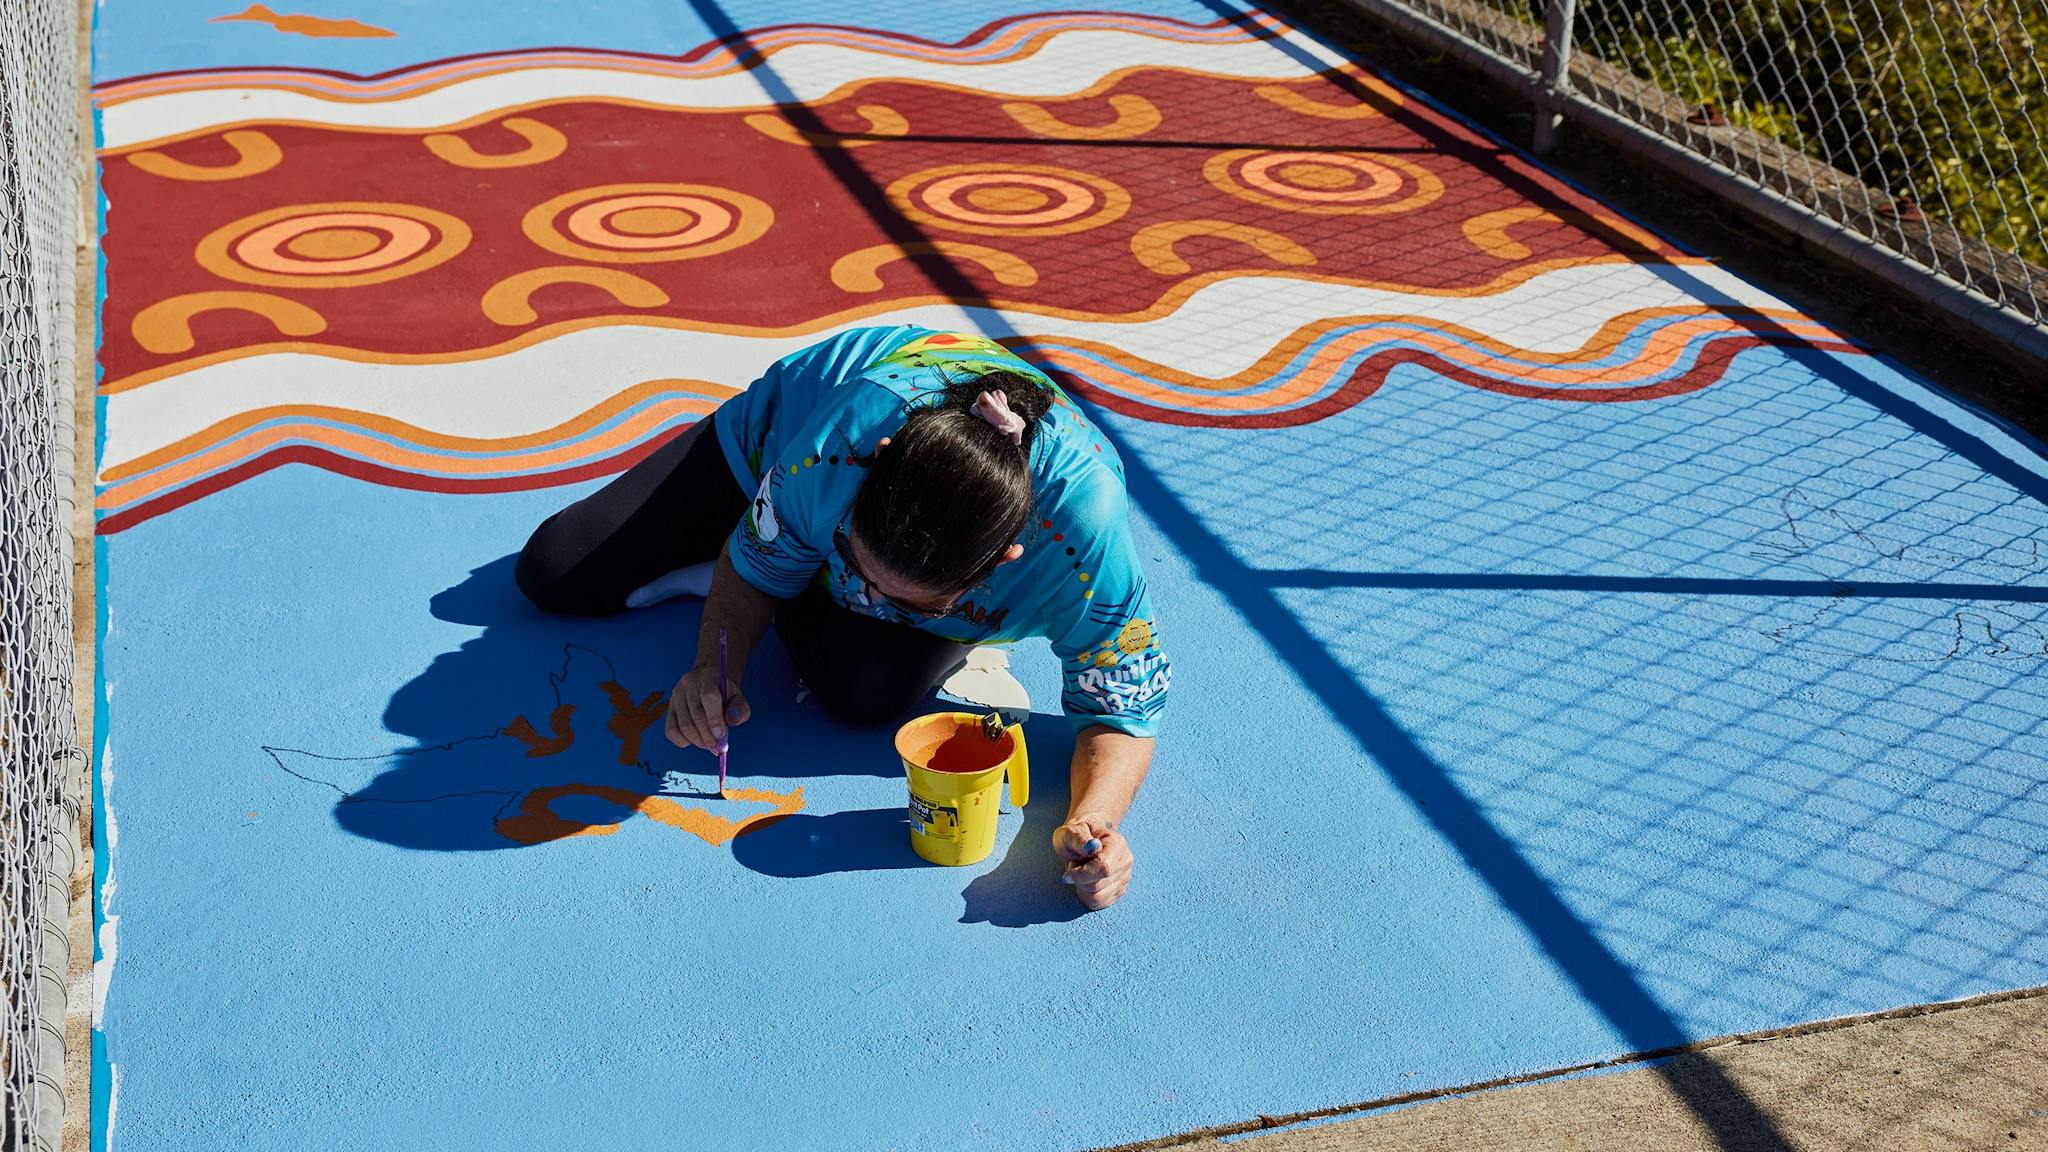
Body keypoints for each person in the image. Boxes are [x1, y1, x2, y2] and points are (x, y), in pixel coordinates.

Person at [514, 326, 1169, 908]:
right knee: (554, 570)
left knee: (863, 692)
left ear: (1004, 563)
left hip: (823, 522)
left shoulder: (1085, 546)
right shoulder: (832, 450)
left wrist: (1095, 823)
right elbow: (751, 575)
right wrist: (711, 667)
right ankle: (774, 537)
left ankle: (786, 547)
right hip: (778, 443)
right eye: (856, 560)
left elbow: (1123, 710)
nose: (872, 594)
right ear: (874, 463)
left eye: (912, 601)